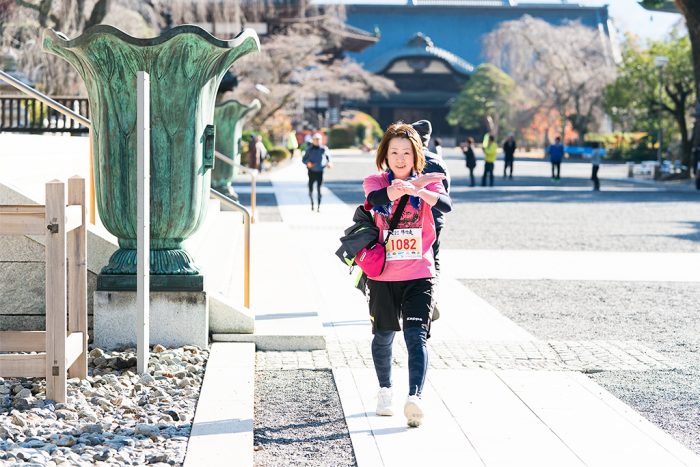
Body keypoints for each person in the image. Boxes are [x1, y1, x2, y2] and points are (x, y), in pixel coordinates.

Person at [363, 122, 451, 428]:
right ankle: (385, 390)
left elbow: (447, 206)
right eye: (394, 152)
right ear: (385, 155)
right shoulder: (374, 180)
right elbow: (374, 200)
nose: (400, 158)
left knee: (417, 337)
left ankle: (415, 397)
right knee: (384, 336)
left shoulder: (430, 181)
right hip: (383, 275)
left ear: (416, 155)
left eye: (407, 152)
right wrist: (393, 190)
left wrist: (419, 190)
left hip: (419, 274)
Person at [411, 120, 450, 322]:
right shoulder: (438, 161)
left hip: (411, 220)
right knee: (432, 260)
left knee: (407, 259)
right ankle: (430, 300)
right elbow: (445, 195)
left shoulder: (407, 159)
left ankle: (409, 302)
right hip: (435, 220)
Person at [302, 133, 332, 212]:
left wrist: (329, 163)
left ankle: (318, 206)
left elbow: (329, 157)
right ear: (313, 140)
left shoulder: (323, 148)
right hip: (311, 171)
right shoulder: (309, 149)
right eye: (316, 140)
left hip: (320, 171)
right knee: (310, 189)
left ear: (321, 140)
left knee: (319, 189)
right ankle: (312, 203)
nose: (317, 141)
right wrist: (308, 163)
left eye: (319, 140)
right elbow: (304, 159)